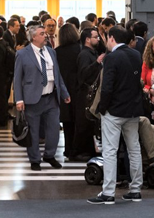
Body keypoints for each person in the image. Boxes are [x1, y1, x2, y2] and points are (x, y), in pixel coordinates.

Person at [87, 27, 144, 205]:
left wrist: (102, 109)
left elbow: (107, 86)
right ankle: (135, 190)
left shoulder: (112, 57)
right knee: (134, 149)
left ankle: (108, 192)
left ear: (111, 38)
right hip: (133, 109)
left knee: (110, 151)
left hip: (114, 110)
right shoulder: (136, 55)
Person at [14, 25, 71, 171]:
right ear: (33, 37)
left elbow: (57, 75)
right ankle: (34, 159)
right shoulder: (22, 54)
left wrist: (64, 93)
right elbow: (17, 78)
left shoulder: (51, 52)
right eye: (42, 34)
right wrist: (18, 99)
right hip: (32, 99)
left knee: (53, 129)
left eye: (45, 33)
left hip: (51, 97)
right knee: (33, 131)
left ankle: (49, 155)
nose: (45, 36)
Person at [75, 28, 104, 161]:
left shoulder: (93, 52)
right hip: (85, 93)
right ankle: (81, 151)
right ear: (87, 39)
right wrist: (97, 62)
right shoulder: (84, 55)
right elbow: (83, 74)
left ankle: (89, 150)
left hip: (91, 93)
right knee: (84, 122)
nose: (97, 39)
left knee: (89, 123)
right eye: (95, 37)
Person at [54, 24, 80, 161]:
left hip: (63, 89)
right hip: (78, 89)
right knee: (78, 121)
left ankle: (68, 149)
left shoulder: (57, 52)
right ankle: (76, 149)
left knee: (67, 121)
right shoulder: (80, 49)